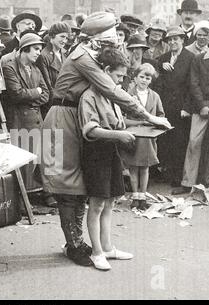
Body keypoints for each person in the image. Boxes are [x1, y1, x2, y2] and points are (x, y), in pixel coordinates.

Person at [41, 12, 171, 267]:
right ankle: (75, 244)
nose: (112, 44)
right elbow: (110, 88)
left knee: (80, 185)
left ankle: (78, 242)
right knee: (67, 186)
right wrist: (147, 115)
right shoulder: (83, 57)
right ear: (95, 39)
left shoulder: (89, 54)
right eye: (109, 40)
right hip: (63, 118)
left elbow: (114, 88)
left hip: (74, 116)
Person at [78, 47, 134, 271]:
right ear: (106, 71)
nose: (120, 81)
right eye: (118, 76)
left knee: (110, 201)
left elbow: (119, 122)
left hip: (111, 151)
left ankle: (108, 246)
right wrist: (118, 134)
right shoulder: (89, 96)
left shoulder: (109, 96)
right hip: (96, 152)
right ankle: (97, 251)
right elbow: (90, 130)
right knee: (97, 203)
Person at [2, 33, 49, 194]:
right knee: (21, 162)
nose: (38, 53)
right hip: (19, 120)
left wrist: (31, 96)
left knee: (39, 159)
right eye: (36, 49)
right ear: (24, 49)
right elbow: (16, 94)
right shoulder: (9, 67)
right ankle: (21, 200)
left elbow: (46, 94)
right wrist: (36, 92)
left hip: (36, 119)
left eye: (40, 49)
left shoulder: (35, 69)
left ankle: (42, 194)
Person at [174, 27, 209, 194]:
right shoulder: (198, 59)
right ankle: (187, 182)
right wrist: (202, 106)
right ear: (208, 42)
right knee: (193, 142)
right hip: (201, 107)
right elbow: (194, 84)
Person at [121, 63, 165, 209]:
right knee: (133, 167)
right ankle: (135, 195)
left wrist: (155, 124)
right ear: (135, 77)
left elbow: (161, 115)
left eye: (147, 78)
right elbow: (121, 117)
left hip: (148, 137)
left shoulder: (155, 96)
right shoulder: (127, 94)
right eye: (141, 77)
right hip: (134, 135)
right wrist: (138, 122)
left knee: (145, 167)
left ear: (151, 80)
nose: (144, 80)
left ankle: (143, 196)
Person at [156, 26, 195, 187]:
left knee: (180, 142)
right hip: (165, 106)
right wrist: (161, 66)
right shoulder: (163, 58)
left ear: (182, 40)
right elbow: (158, 81)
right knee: (166, 140)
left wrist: (187, 107)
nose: (173, 42)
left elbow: (192, 85)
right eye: (170, 39)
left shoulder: (191, 57)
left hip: (181, 108)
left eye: (176, 39)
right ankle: (166, 174)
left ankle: (178, 178)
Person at [36, 22, 71, 117]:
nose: (65, 41)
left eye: (67, 38)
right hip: (51, 106)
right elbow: (47, 86)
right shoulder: (43, 56)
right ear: (52, 36)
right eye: (62, 37)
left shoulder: (64, 55)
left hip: (63, 104)